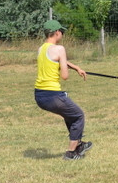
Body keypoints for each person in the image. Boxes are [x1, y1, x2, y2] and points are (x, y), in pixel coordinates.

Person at [34, 20, 93, 160]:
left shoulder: (41, 49)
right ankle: (71, 153)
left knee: (70, 115)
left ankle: (78, 144)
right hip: (53, 95)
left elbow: (55, 60)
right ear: (57, 33)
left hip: (40, 95)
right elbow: (64, 76)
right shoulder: (60, 49)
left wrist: (76, 67)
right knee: (78, 115)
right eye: (62, 32)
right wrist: (67, 68)